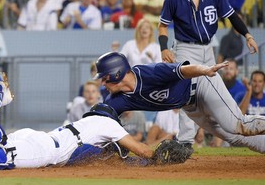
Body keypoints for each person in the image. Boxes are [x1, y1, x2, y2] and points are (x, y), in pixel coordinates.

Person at [93, 52, 265, 163]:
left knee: (236, 124)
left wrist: (204, 70)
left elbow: (182, 70)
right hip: (189, 105)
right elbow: (100, 121)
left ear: (117, 73)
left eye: (104, 77)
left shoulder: (149, 73)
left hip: (201, 83)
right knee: (233, 136)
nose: (102, 82)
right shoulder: (115, 100)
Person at [0, 72, 171, 170]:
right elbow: (144, 151)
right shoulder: (108, 124)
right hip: (46, 149)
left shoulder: (91, 122)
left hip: (36, 138)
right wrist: (163, 157)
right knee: (0, 158)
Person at [157, 0, 258, 151]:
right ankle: (185, 142)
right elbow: (163, 25)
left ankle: (236, 124)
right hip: (185, 47)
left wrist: (248, 36)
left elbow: (232, 16)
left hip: (208, 48)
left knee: (215, 93)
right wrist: (164, 48)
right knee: (187, 92)